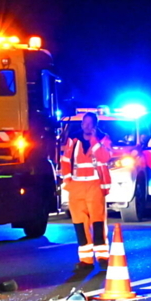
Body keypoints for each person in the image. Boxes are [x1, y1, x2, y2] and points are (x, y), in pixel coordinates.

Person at [60, 112, 112, 265]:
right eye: (84, 123)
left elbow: (104, 157)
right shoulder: (74, 139)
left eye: (90, 123)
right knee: (79, 223)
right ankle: (85, 259)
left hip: (94, 185)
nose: (86, 126)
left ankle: (102, 256)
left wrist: (95, 140)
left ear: (95, 125)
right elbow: (65, 160)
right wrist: (68, 182)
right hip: (76, 186)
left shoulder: (103, 139)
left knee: (97, 222)